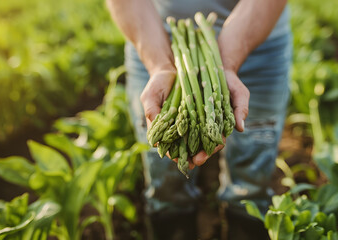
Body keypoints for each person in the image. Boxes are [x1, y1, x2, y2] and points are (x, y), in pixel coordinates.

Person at [107, 0, 292, 239]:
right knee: (165, 182)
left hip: (261, 42)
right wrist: (161, 66)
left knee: (252, 178)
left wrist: (226, 64)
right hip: (155, 37)